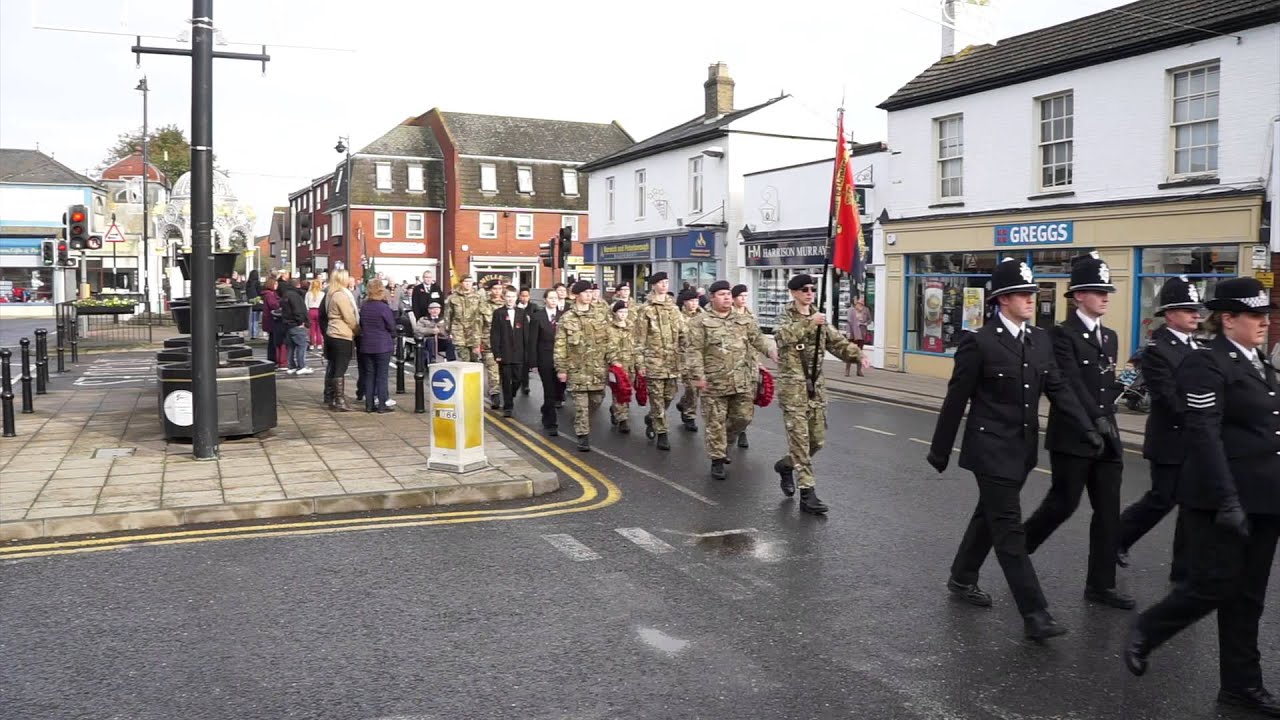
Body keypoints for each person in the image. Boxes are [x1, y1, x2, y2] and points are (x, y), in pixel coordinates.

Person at [1126, 277, 1280, 718]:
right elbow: (1204, 434)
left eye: (1266, 314)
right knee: (1213, 585)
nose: (1264, 322)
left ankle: (1241, 686)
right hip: (1222, 497)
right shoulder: (1205, 364)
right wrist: (1228, 500)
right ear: (1228, 319)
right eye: (1255, 315)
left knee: (1248, 597)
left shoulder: (1259, 363)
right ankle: (1146, 630)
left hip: (1265, 497)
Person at [927, 258, 1101, 643]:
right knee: (1008, 529)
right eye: (1023, 294)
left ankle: (962, 575)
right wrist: (940, 449)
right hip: (989, 449)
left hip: (1022, 451)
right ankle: (1035, 613)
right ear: (1002, 300)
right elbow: (957, 399)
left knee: (987, 516)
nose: (1030, 299)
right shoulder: (980, 342)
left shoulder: (1039, 340)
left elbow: (1058, 389)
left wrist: (1088, 428)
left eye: (1031, 293)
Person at [1023, 252, 1133, 611]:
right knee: (1063, 504)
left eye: (1106, 291)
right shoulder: (1061, 335)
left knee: (1108, 511)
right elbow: (1070, 386)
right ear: (1078, 295)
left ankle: (1101, 585)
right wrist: (1094, 421)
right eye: (1097, 290)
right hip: (1073, 436)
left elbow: (1103, 386)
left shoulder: (1111, 337)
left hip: (1107, 435)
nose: (1105, 296)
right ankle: (1019, 552)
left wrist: (1127, 386)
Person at [1117, 275, 1201, 581]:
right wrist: (1203, 414)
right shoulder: (1156, 350)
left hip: (1195, 441)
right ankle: (1116, 537)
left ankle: (1184, 569)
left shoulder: (1197, 346)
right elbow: (1168, 398)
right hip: (1170, 440)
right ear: (1169, 314)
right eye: (1187, 308)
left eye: (1196, 308)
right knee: (1162, 499)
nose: (1196, 314)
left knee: (1191, 505)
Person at [773, 274, 868, 514]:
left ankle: (786, 465)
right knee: (801, 443)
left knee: (816, 441)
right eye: (804, 289)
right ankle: (808, 494)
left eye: (812, 289)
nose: (809, 293)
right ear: (794, 293)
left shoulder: (820, 319)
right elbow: (782, 337)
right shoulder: (786, 316)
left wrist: (858, 355)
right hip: (792, 390)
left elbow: (837, 343)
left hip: (815, 390)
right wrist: (809, 323)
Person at [684, 280, 776, 480]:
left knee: (743, 417)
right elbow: (694, 351)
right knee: (715, 423)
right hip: (713, 382)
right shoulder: (700, 321)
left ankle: (724, 444)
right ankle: (717, 460)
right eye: (721, 294)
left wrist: (770, 351)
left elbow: (757, 338)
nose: (726, 297)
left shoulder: (742, 319)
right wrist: (698, 376)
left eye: (728, 294)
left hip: (741, 380)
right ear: (712, 297)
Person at [554, 279, 618, 452]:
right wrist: (561, 368)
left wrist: (614, 361)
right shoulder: (567, 318)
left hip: (597, 369)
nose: (589, 296)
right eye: (586, 293)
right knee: (581, 405)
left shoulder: (601, 315)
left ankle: (582, 421)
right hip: (577, 369)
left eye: (591, 293)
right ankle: (582, 435)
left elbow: (609, 340)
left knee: (597, 400)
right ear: (577, 295)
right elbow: (560, 345)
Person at [633, 272, 686, 451]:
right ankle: (662, 434)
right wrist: (640, 364)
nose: (664, 285)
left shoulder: (674, 309)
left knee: (668, 397)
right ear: (653, 285)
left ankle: (652, 418)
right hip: (653, 362)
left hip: (672, 362)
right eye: (660, 282)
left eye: (666, 282)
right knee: (656, 399)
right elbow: (639, 340)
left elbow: (683, 334)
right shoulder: (645, 309)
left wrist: (689, 353)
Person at [528, 289, 564, 435]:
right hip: (545, 359)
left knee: (558, 391)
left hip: (562, 359)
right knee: (549, 391)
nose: (553, 300)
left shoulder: (564, 316)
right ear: (545, 300)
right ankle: (551, 423)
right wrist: (533, 363)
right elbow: (532, 341)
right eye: (550, 298)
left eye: (555, 298)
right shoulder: (538, 317)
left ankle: (546, 408)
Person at [358, 279, 397, 413]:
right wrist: (393, 335)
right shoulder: (383, 307)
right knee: (382, 375)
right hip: (382, 344)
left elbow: (361, 324)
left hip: (366, 344)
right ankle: (382, 404)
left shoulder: (364, 306)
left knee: (369, 375)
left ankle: (369, 405)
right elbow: (391, 326)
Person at [490, 287, 529, 418]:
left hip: (519, 353)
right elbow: (494, 335)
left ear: (516, 298)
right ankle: (508, 406)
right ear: (504, 298)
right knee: (506, 380)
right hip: (504, 353)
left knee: (517, 379)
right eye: (508, 296)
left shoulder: (521, 313)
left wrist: (526, 352)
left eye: (513, 296)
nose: (510, 299)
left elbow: (526, 335)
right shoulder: (498, 313)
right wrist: (497, 354)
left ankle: (511, 394)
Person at [323, 269, 360, 412]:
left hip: (332, 333)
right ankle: (339, 400)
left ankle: (333, 397)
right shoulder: (341, 296)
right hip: (341, 334)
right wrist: (357, 330)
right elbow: (349, 317)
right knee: (340, 368)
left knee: (334, 367)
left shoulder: (330, 294)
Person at [605, 300, 636, 434]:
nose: (623, 315)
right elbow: (608, 347)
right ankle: (623, 419)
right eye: (620, 312)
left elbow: (637, 345)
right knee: (619, 391)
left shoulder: (632, 327)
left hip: (631, 364)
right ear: (615, 313)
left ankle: (617, 410)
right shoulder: (609, 329)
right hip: (616, 365)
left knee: (628, 391)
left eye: (625, 312)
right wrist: (614, 361)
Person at [675, 288, 703, 432]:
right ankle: (689, 416)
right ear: (684, 302)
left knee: (696, 388)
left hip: (700, 359)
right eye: (691, 301)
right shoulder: (678, 317)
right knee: (691, 387)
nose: (694, 304)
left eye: (696, 301)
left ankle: (684, 402)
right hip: (684, 358)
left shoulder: (704, 316)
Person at [479, 279, 506, 409]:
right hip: (489, 342)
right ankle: (495, 393)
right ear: (490, 290)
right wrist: (476, 343)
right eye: (494, 288)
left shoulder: (508, 303)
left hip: (506, 343)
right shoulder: (483, 305)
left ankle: (506, 393)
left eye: (499, 289)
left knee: (506, 371)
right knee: (492, 370)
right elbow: (478, 325)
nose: (497, 291)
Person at [444, 275, 483, 362]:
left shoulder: (479, 296)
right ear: (461, 283)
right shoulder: (453, 297)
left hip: (474, 330)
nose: (468, 284)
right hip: (458, 329)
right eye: (465, 282)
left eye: (470, 281)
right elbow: (448, 314)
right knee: (463, 356)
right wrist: (447, 330)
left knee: (474, 357)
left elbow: (483, 314)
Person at [279, 278, 312, 375]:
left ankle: (291, 366)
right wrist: (301, 321)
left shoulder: (285, 295)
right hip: (296, 324)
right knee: (302, 345)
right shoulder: (295, 296)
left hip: (287, 324)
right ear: (298, 285)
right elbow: (298, 310)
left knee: (291, 346)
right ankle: (301, 366)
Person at [845, 296, 871, 377]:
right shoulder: (851, 310)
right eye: (860, 302)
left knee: (860, 353)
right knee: (850, 352)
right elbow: (849, 322)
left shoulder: (866, 310)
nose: (861, 303)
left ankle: (859, 371)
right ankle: (847, 370)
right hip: (852, 334)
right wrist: (848, 333)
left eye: (863, 302)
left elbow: (869, 320)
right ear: (856, 302)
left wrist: (866, 323)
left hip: (861, 334)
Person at [260, 276, 283, 368]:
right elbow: (274, 305)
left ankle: (272, 358)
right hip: (272, 320)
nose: (277, 285)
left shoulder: (269, 294)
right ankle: (272, 359)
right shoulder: (270, 294)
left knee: (272, 340)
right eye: (276, 284)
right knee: (273, 341)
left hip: (269, 320)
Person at [305, 279, 325, 351]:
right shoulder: (322, 294)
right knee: (319, 328)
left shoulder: (308, 294)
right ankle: (319, 343)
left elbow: (306, 304)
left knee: (311, 329)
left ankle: (312, 344)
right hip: (319, 310)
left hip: (311, 310)